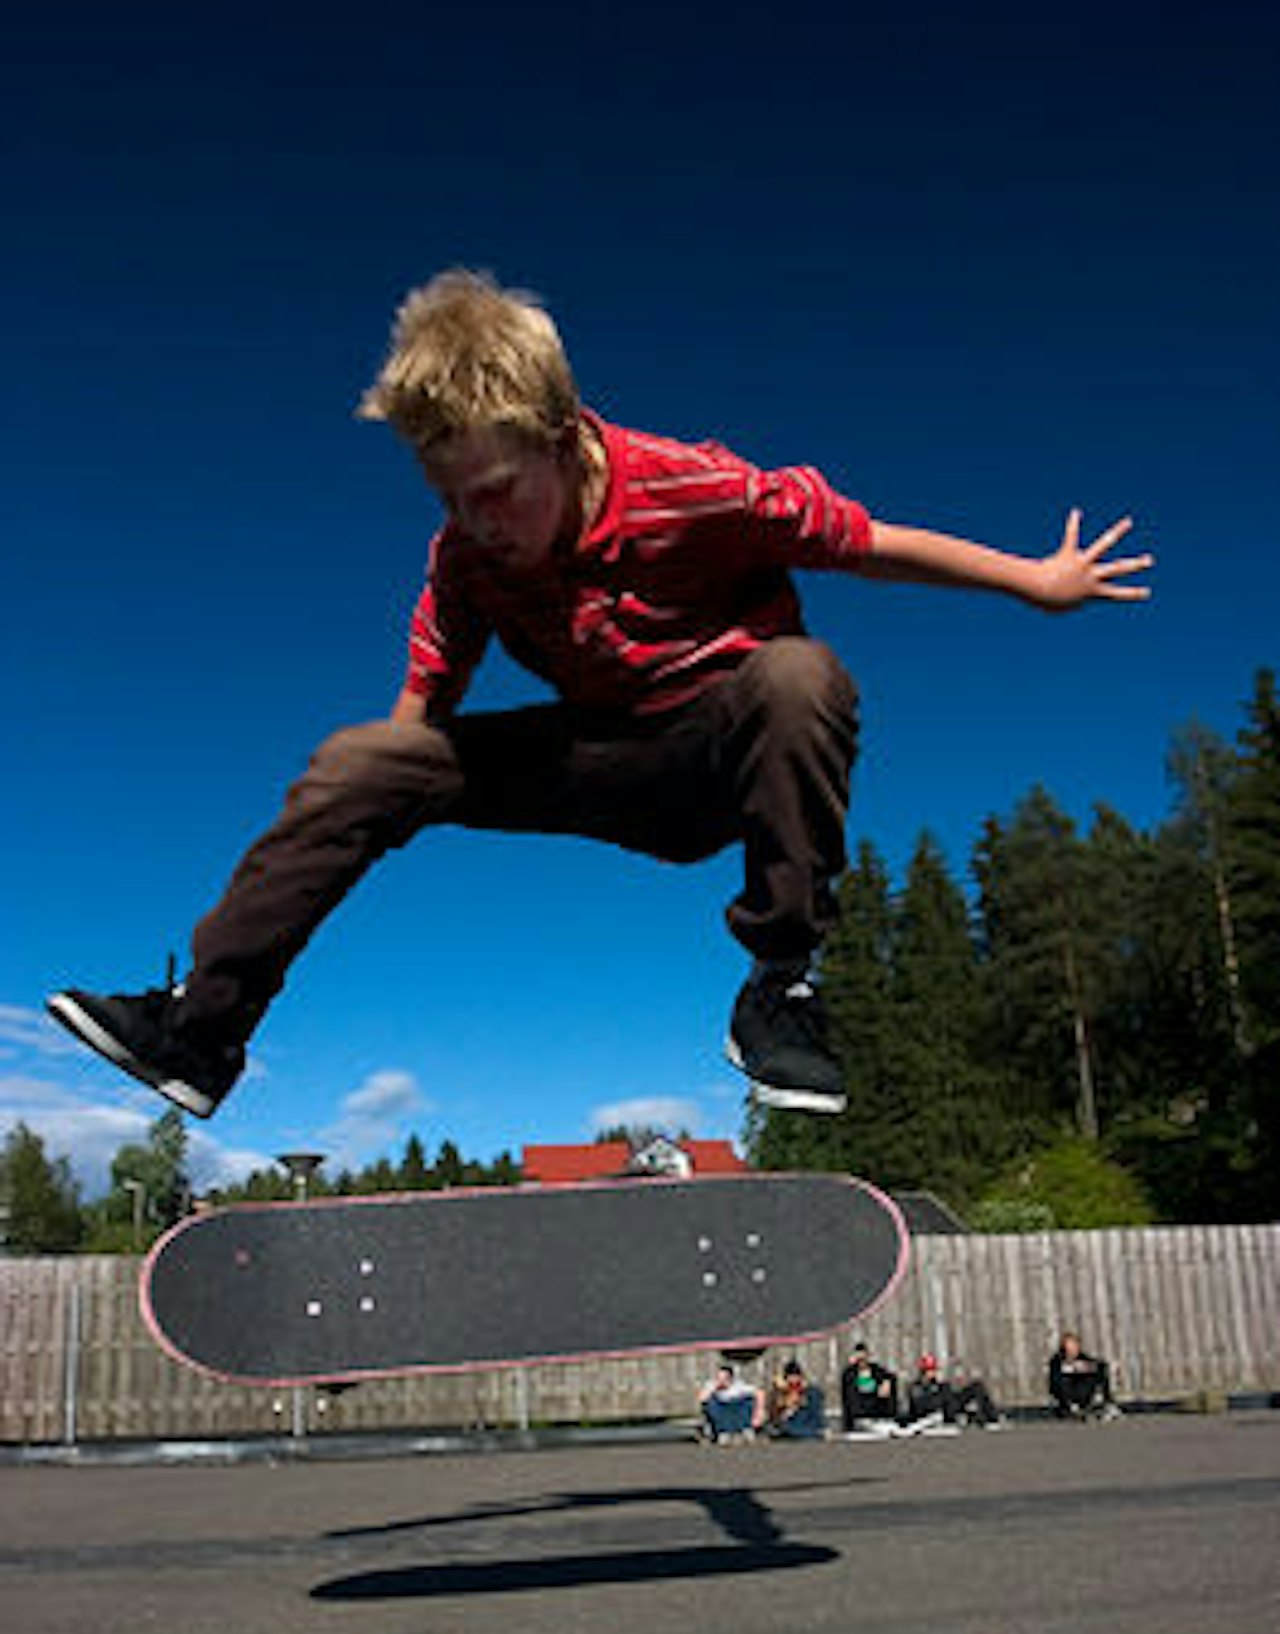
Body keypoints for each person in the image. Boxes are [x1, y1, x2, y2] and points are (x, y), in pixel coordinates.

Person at [47, 269, 1153, 1121]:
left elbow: (867, 542)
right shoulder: (465, 561)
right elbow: (419, 718)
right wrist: (372, 804)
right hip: (593, 762)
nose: (477, 524)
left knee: (797, 674)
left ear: (562, 435)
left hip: (722, 755)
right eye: (448, 497)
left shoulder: (696, 486)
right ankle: (203, 1032)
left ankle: (780, 983)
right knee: (356, 759)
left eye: (494, 492)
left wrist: (1033, 581)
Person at [906, 1352, 1005, 1429]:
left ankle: (992, 1418)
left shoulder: (938, 1383)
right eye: (929, 1370)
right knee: (945, 1394)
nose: (932, 1373)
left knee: (977, 1386)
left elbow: (949, 1396)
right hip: (938, 1413)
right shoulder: (917, 1387)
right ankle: (971, 1417)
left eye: (933, 1370)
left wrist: (942, 1387)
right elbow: (919, 1407)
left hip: (950, 1405)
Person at [1048, 1330, 1121, 1420]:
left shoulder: (1082, 1357)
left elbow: (1094, 1364)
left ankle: (1106, 1402)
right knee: (1063, 1380)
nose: (1073, 1350)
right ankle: (1072, 1406)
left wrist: (1094, 1367)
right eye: (1070, 1347)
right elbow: (1055, 1379)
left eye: (1075, 1346)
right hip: (1066, 1394)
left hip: (1082, 1391)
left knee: (1098, 1370)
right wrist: (1072, 1367)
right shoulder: (1057, 1360)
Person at [839, 1340, 899, 1432]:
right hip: (859, 1418)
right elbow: (847, 1400)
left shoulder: (877, 1371)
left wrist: (887, 1383)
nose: (861, 1361)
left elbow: (890, 1377)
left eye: (864, 1357)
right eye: (859, 1358)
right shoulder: (849, 1374)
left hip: (876, 1415)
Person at [698, 1362, 765, 1443]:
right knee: (711, 1404)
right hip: (722, 1411)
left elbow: (759, 1393)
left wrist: (759, 1413)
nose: (721, 1380)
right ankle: (723, 1431)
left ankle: (745, 1429)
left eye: (724, 1378)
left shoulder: (739, 1386)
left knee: (747, 1400)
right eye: (719, 1377)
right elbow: (702, 1399)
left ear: (730, 1378)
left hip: (737, 1410)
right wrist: (715, 1388)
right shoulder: (711, 1385)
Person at [766, 1359, 826, 1439]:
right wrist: (786, 1410)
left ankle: (813, 1431)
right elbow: (774, 1413)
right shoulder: (779, 1391)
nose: (794, 1379)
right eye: (791, 1376)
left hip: (804, 1421)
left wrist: (799, 1402)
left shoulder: (807, 1390)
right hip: (787, 1421)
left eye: (796, 1376)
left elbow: (813, 1409)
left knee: (814, 1394)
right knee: (784, 1429)